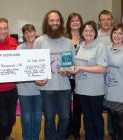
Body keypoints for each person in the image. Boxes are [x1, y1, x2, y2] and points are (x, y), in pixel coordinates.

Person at [34, 10, 75, 140]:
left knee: (65, 117)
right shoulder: (39, 41)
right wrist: (36, 79)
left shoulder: (68, 42)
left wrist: (68, 71)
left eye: (57, 20)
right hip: (47, 88)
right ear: (47, 22)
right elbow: (34, 66)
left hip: (64, 87)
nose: (55, 23)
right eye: (52, 20)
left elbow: (72, 65)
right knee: (49, 117)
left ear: (61, 22)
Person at [69, 21, 108, 140]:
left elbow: (102, 68)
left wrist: (81, 68)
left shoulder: (100, 46)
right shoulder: (80, 46)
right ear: (82, 32)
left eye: (91, 30)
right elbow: (75, 64)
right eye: (86, 30)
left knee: (96, 117)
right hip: (81, 89)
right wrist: (67, 69)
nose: (88, 33)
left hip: (95, 90)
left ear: (95, 32)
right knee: (87, 117)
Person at [16, 24, 42, 140]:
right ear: (23, 35)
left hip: (40, 89)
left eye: (31, 32)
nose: (29, 34)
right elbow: (18, 69)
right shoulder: (19, 49)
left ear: (35, 32)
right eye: (26, 32)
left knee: (37, 117)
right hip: (24, 89)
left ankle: (35, 138)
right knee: (26, 117)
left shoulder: (41, 47)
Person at [65, 12, 83, 140]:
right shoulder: (64, 38)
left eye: (77, 20)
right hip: (66, 77)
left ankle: (76, 131)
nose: (75, 23)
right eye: (73, 21)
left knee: (78, 106)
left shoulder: (86, 37)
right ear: (69, 24)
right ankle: (68, 129)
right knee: (65, 106)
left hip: (81, 77)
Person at [97, 9, 115, 138]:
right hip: (98, 76)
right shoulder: (94, 36)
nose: (106, 22)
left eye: (108, 19)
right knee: (99, 106)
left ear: (112, 20)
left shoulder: (118, 34)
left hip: (115, 76)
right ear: (99, 21)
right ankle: (99, 132)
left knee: (112, 106)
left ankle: (112, 131)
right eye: (103, 19)